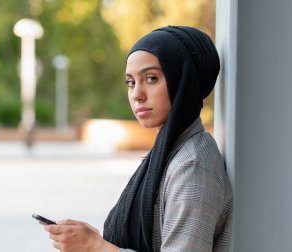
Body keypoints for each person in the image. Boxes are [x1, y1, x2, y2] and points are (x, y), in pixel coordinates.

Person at [43, 26, 233, 252]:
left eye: (151, 78)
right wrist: (96, 240)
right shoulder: (170, 153)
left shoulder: (193, 164)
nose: (136, 94)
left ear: (183, 80)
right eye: (131, 82)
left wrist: (97, 247)